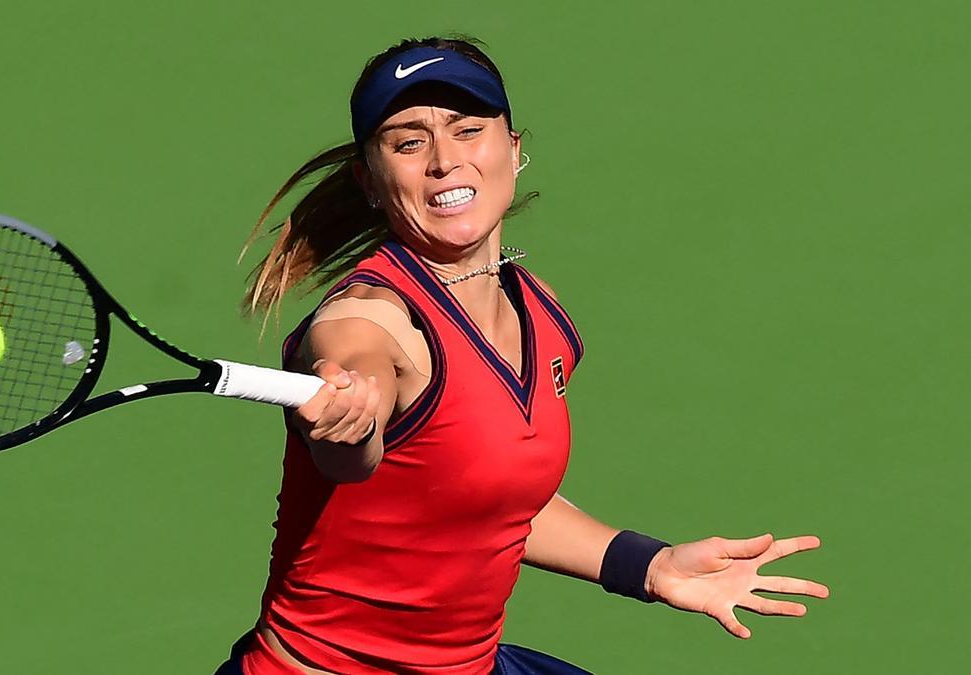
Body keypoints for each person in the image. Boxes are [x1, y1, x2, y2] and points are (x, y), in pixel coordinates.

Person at [216, 37, 829, 674]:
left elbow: (488, 499)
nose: (444, 161)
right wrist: (352, 414)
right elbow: (353, 411)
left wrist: (649, 566)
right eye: (408, 142)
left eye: (468, 130)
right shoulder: (366, 317)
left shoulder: (539, 312)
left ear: (513, 150)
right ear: (370, 181)